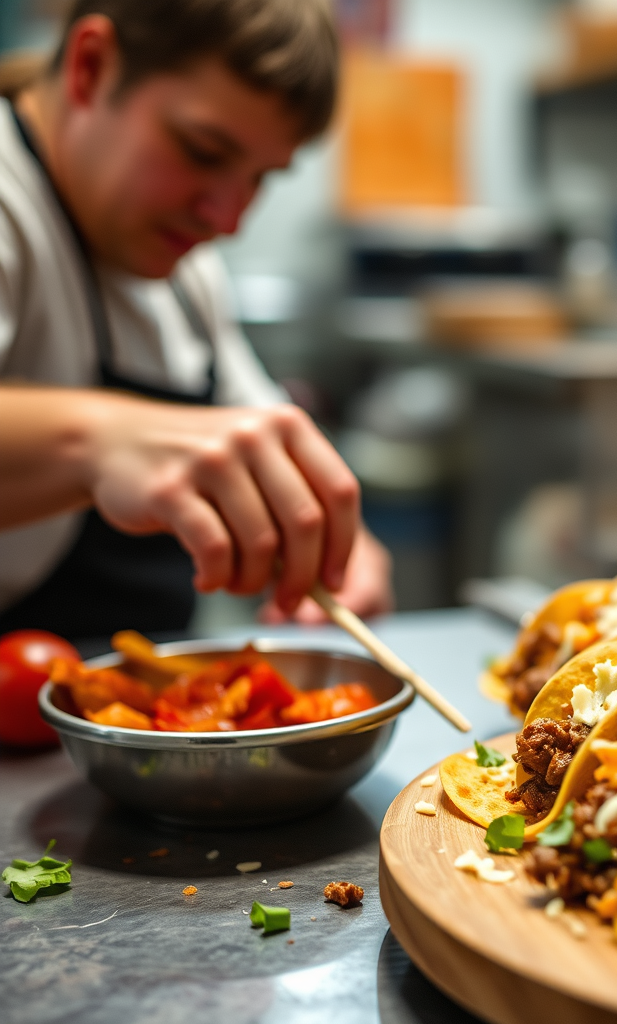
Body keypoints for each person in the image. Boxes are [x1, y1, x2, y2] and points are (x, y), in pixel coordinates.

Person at [0, 0, 392, 641]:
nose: (227, 219)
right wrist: (100, 441)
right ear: (91, 66)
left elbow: (261, 446)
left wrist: (337, 549)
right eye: (203, 152)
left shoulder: (185, 276)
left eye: (260, 178)